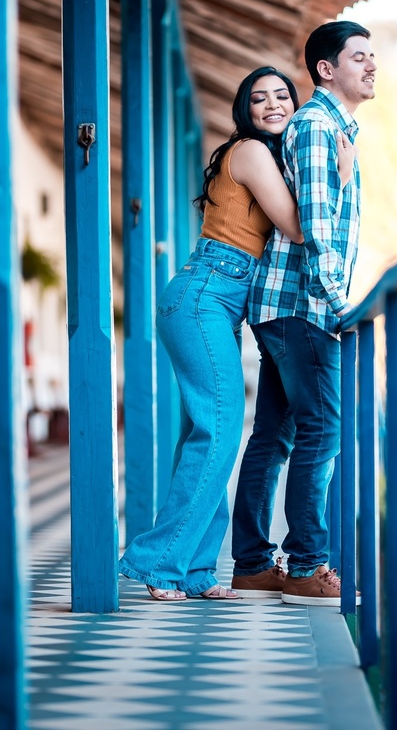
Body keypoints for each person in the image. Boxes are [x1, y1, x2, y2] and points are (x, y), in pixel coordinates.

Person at [119, 66, 350, 601]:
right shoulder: (249, 151)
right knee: (219, 433)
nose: (273, 105)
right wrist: (337, 175)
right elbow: (296, 226)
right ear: (245, 110)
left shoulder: (267, 157)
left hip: (218, 300)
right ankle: (157, 564)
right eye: (259, 98)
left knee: (207, 434)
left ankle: (197, 569)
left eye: (282, 96)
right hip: (205, 295)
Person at [230, 21, 376, 605]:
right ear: (326, 69)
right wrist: (343, 308)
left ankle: (251, 563)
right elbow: (316, 228)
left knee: (275, 435)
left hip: (285, 305)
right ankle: (307, 565)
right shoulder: (317, 128)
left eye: (373, 56)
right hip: (304, 305)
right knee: (324, 430)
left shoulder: (325, 128)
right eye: (359, 57)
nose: (370, 66)